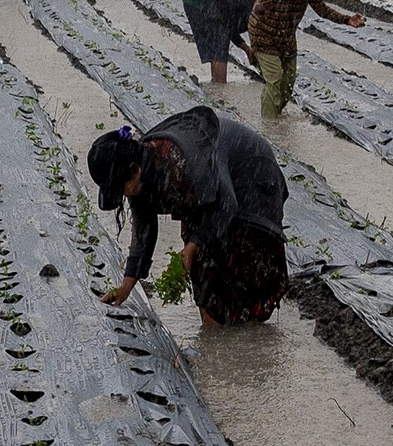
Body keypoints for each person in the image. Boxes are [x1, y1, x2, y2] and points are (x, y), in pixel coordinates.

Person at [88, 107, 289, 326]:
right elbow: (143, 230)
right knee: (203, 267)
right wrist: (126, 286)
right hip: (211, 194)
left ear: (135, 170)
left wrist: (193, 245)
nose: (123, 194)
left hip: (252, 177)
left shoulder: (186, 163)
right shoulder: (140, 173)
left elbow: (227, 205)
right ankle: (215, 337)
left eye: (121, 187)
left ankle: (245, 341)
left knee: (242, 266)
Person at [182, 0, 257, 83]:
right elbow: (228, 29)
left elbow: (230, 28)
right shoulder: (253, 7)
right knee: (220, 47)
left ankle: (215, 82)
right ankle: (220, 88)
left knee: (216, 46)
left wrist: (247, 49)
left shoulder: (245, 2)